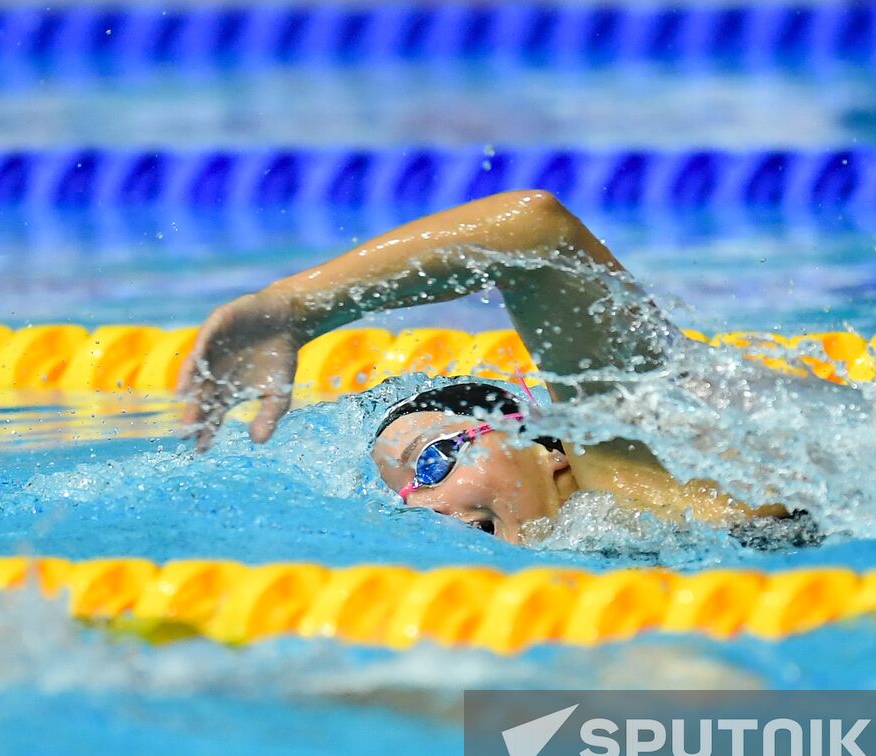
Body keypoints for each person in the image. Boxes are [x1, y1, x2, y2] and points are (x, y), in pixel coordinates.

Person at [179, 190, 812, 547]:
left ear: (548, 445)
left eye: (431, 462)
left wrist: (295, 309)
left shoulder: (627, 462)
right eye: (407, 493)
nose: (423, 503)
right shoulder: (588, 547)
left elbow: (533, 232)